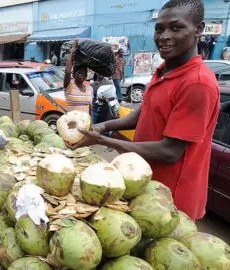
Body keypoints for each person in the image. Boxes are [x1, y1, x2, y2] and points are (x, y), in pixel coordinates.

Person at [67, 0, 219, 221]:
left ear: (198, 29)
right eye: (159, 29)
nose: (164, 36)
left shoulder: (197, 83)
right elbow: (141, 116)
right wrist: (101, 126)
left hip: (171, 201)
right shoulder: (162, 72)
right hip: (142, 184)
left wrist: (102, 140)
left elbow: (170, 152)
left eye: (176, 28)